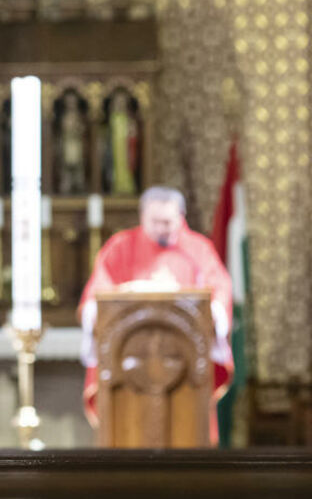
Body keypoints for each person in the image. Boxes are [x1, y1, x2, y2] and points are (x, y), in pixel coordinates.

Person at [78, 186, 233, 442]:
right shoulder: (120, 247)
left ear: (181, 216)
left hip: (183, 363)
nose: (163, 228)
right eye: (156, 222)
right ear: (142, 217)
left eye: (169, 222)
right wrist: (96, 313)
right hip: (131, 359)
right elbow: (98, 293)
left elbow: (220, 289)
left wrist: (216, 312)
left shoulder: (198, 249)